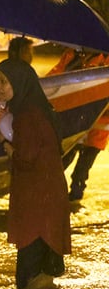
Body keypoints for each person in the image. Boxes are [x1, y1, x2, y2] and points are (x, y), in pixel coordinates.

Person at [0, 58, 71, 289]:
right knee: (42, 266)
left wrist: (7, 146)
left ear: (19, 82)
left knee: (27, 278)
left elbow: (26, 158)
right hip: (48, 192)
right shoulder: (36, 108)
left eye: (4, 82)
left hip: (37, 196)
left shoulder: (27, 116)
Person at [47, 48, 109, 200]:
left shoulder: (105, 60)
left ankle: (74, 199)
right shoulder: (71, 55)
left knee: (80, 173)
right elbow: (52, 79)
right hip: (74, 124)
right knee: (60, 164)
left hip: (97, 129)